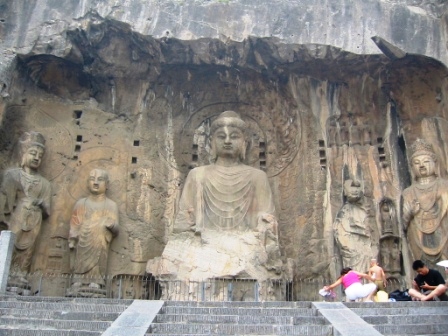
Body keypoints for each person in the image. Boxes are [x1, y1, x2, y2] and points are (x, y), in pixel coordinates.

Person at [147, 111, 284, 300]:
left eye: (234, 136)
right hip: (205, 243)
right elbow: (183, 224)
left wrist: (263, 232)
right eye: (221, 136)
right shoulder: (198, 175)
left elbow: (267, 222)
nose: (227, 141)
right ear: (211, 142)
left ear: (244, 142)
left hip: (245, 243)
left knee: (254, 256)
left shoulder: (257, 177)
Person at [0, 132, 51, 282]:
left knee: (28, 249)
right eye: (33, 153)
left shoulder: (45, 184)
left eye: (40, 156)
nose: (36, 158)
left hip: (35, 218)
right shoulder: (12, 175)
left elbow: (48, 210)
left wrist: (41, 204)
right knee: (12, 242)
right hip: (16, 217)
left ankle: (20, 275)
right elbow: (5, 201)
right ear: (23, 154)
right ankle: (5, 274)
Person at [67, 169, 119, 296]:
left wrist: (110, 224)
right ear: (87, 183)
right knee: (80, 259)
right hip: (83, 240)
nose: (95, 183)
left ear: (107, 184)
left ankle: (96, 281)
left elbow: (116, 228)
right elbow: (74, 224)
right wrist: (73, 236)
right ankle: (78, 280)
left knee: (99, 252)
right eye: (92, 179)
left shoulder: (111, 205)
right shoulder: (81, 203)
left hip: (99, 241)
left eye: (100, 180)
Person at [402, 139, 448, 264]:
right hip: (418, 234)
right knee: (421, 265)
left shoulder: (445, 186)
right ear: (412, 167)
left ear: (435, 164)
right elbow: (403, 224)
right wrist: (410, 212)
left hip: (443, 231)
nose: (421, 166)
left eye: (426, 161)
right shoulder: (408, 192)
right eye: (417, 163)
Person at [334, 179, 376, 273]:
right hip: (352, 249)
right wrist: (348, 247)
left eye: (357, 187)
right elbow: (339, 232)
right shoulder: (345, 211)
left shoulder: (363, 210)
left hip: (364, 248)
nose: (355, 190)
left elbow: (370, 232)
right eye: (352, 187)